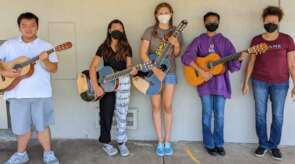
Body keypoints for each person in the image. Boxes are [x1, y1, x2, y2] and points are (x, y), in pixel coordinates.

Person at [181, 12, 247, 156]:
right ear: (204, 23)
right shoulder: (198, 40)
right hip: (204, 84)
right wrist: (201, 71)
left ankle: (219, 143)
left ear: (219, 22)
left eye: (215, 21)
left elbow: (234, 67)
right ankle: (209, 143)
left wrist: (240, 59)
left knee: (220, 115)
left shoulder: (225, 42)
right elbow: (186, 57)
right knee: (206, 114)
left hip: (221, 85)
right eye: (209, 21)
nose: (212, 23)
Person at [0, 12, 59, 164]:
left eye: (32, 25)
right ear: (19, 27)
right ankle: (21, 154)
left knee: (43, 127)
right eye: (24, 25)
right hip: (16, 94)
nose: (28, 28)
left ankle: (48, 153)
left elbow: (53, 69)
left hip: (41, 94)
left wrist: (45, 61)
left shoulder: (46, 46)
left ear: (37, 27)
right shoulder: (9, 45)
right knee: (21, 128)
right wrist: (4, 71)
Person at [242, 6, 295, 160]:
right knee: (260, 115)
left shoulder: (287, 40)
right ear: (263, 21)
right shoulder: (256, 40)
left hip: (280, 84)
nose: (271, 24)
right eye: (268, 21)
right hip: (259, 82)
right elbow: (251, 62)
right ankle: (263, 144)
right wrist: (246, 82)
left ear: (279, 21)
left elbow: (292, 64)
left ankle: (274, 145)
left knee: (278, 116)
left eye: (274, 21)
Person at [139, 2, 183, 157]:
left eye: (166, 12)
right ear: (156, 15)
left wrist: (176, 44)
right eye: (160, 12)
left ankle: (168, 141)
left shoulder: (176, 31)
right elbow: (143, 54)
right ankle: (159, 141)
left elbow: (176, 54)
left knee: (167, 107)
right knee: (156, 107)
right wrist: (155, 69)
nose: (164, 14)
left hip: (170, 72)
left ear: (171, 13)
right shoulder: (150, 31)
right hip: (152, 73)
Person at [89, 19, 137, 157]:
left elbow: (129, 66)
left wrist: (133, 71)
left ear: (123, 31)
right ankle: (106, 142)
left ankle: (122, 142)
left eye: (120, 28)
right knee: (106, 113)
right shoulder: (103, 47)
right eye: (115, 27)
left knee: (122, 113)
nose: (118, 30)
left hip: (124, 82)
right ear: (109, 30)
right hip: (107, 83)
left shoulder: (126, 47)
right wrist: (96, 85)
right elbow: (92, 67)